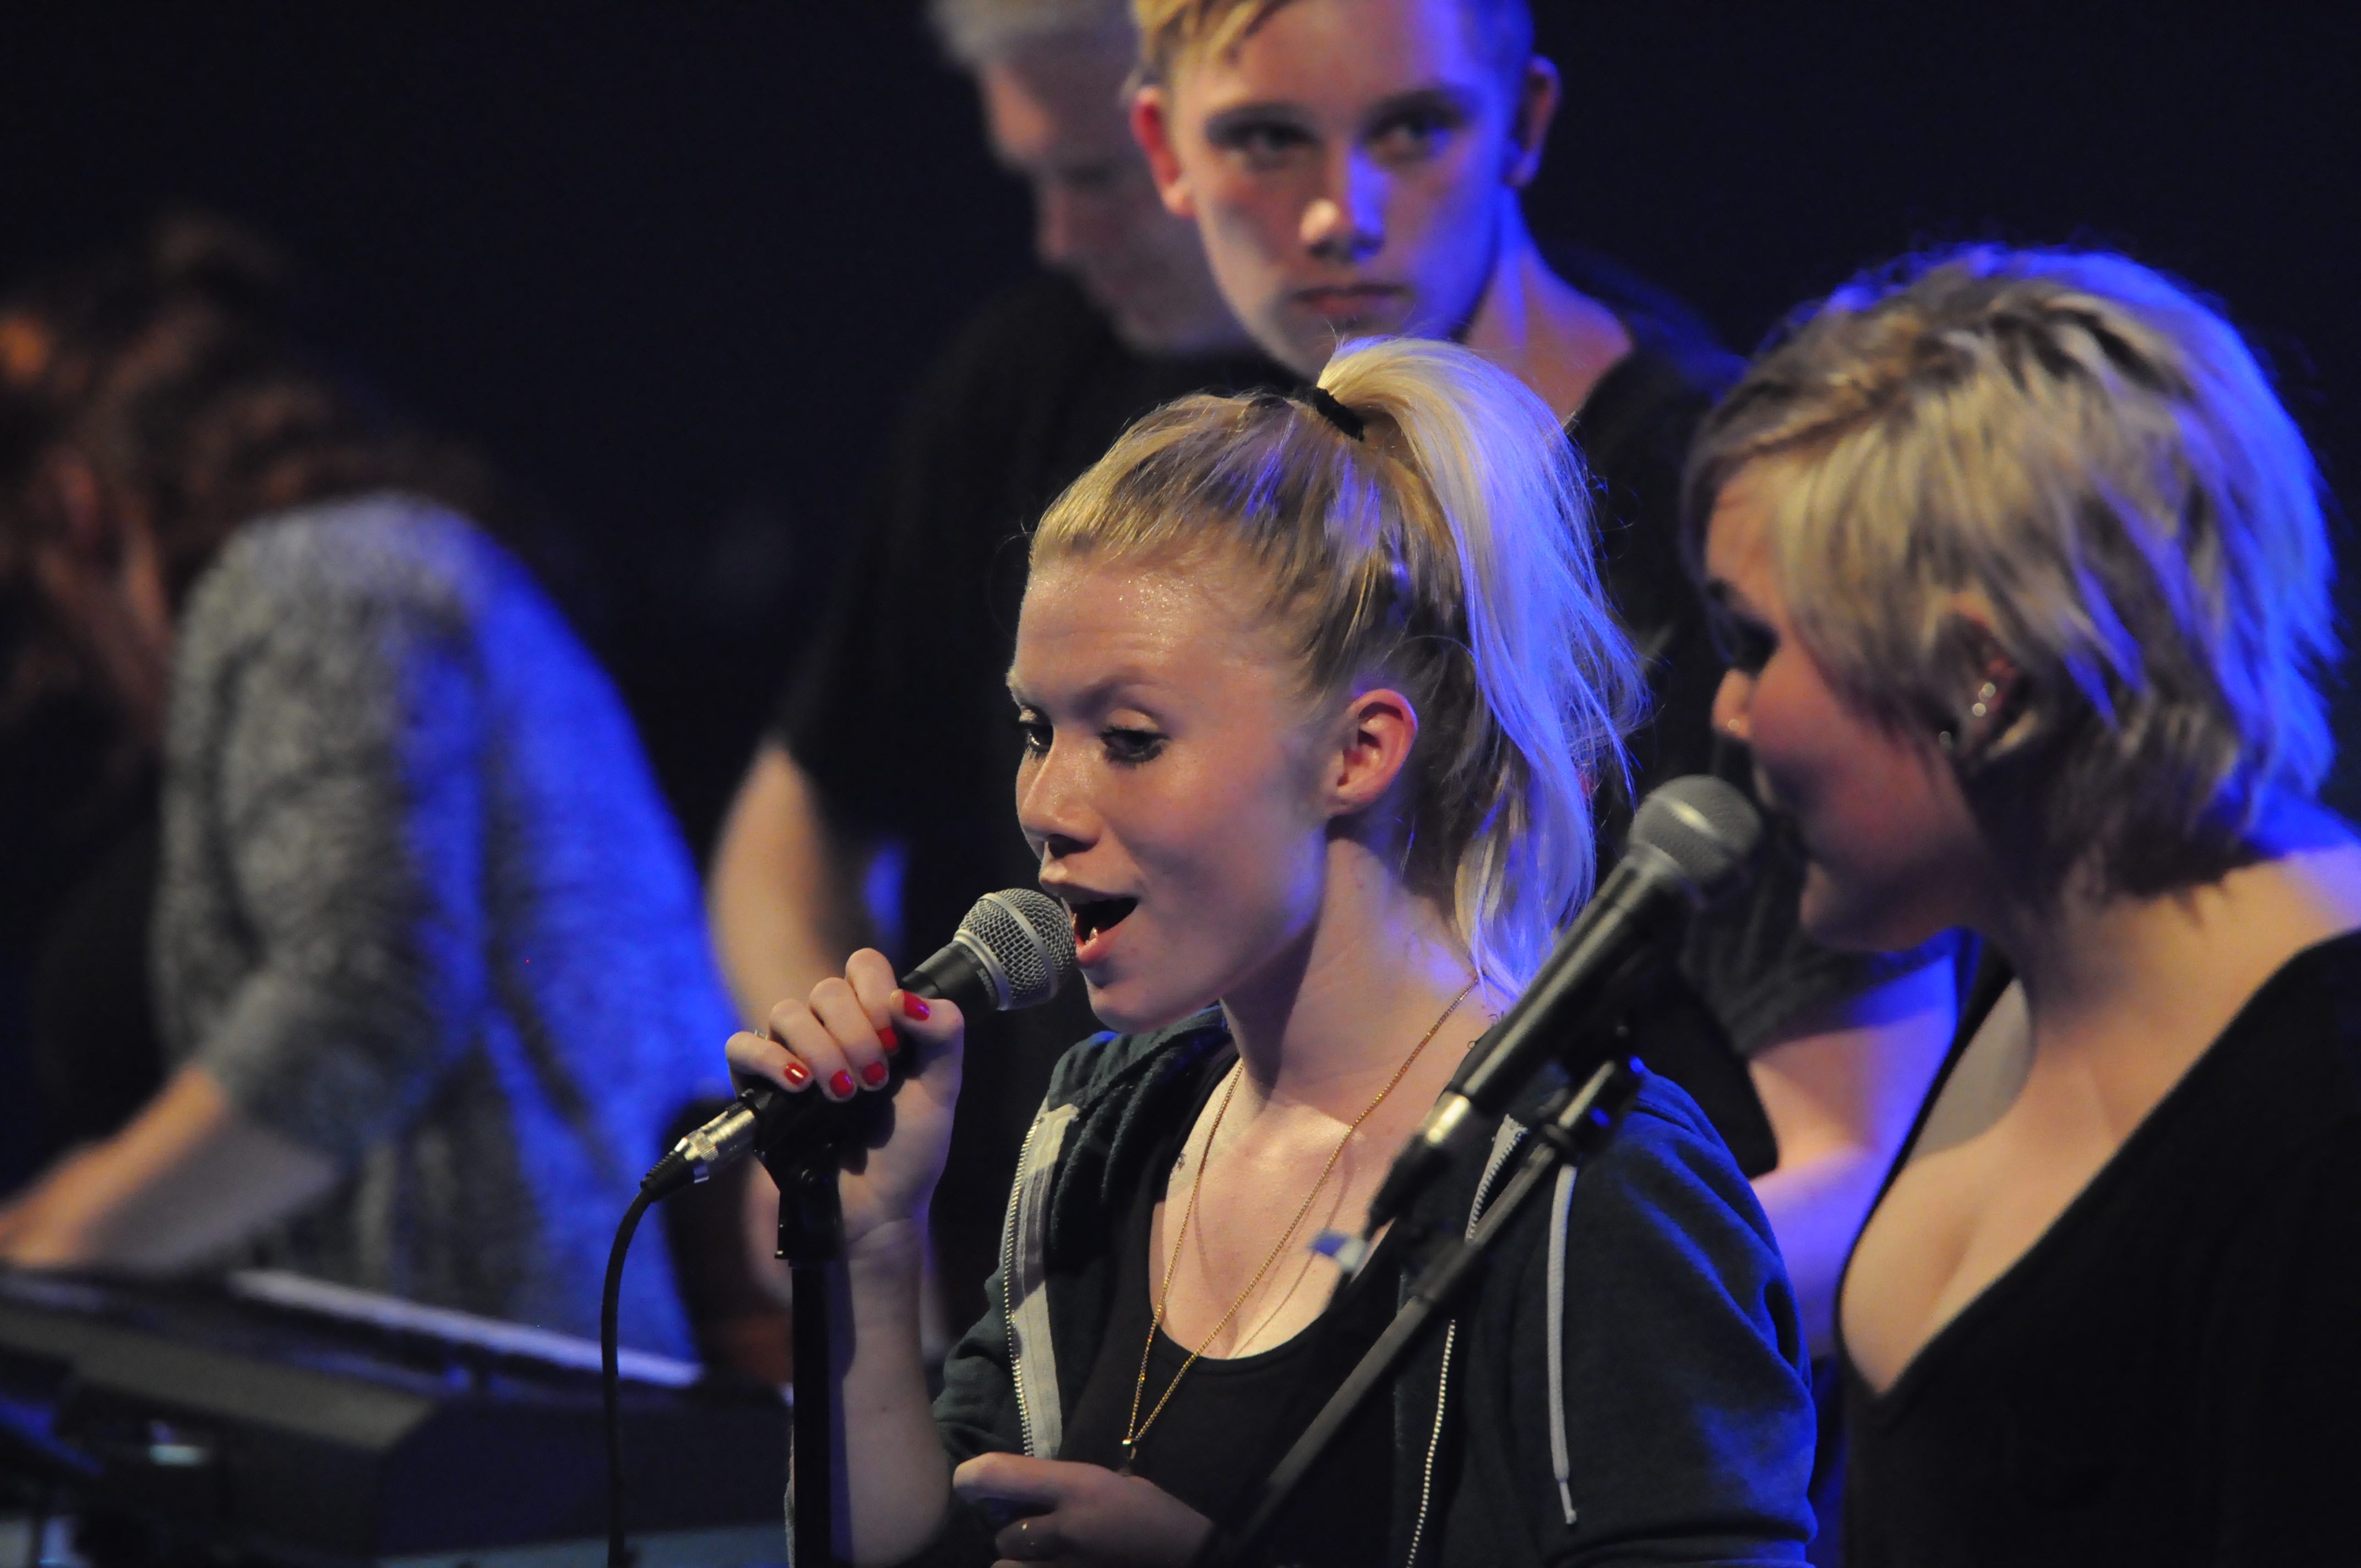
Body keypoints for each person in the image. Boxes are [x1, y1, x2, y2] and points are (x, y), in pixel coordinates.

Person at [731, 337, 1815, 1566]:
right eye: (1037, 728)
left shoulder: (1592, 1183)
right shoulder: (1104, 1129)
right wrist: (871, 1258)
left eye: (1130, 739)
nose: (1047, 803)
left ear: (1358, 752)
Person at [1124, 0, 1956, 1369]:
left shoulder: (1724, 527)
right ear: (1164, 148)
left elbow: (1867, 1178)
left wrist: (1377, 1375)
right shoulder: (1245, 492)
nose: (1339, 215)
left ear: (1523, 124)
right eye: (1266, 139)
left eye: (1413, 128)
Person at [1690, 245, 2361, 1565]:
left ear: (1981, 680)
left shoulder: (2322, 1117)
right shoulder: (2035, 946)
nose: (1729, 712)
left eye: (1754, 645)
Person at [0, 221, 733, 1357]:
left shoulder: (314, 581)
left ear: (75, 501)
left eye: (42, 612)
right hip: (538, 1393)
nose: (68, 671)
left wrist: (57, 1239)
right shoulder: (384, 574)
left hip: (499, 1413)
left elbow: (363, 998)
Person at [710, 0, 1275, 1334]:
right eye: (1035, 729)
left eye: (1100, 176)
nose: (1058, 238)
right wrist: (835, 1083)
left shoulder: (1432, 434)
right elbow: (797, 816)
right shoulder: (1021, 376)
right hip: (1039, 1297)